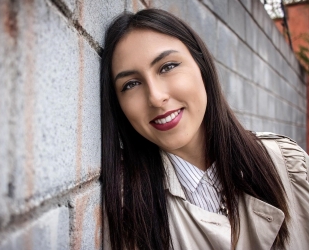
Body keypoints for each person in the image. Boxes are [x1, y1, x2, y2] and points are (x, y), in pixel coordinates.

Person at [100, 9, 309, 250]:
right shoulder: (129, 206)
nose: (156, 98)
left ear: (202, 67)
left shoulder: (287, 164)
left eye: (167, 67)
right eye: (131, 84)